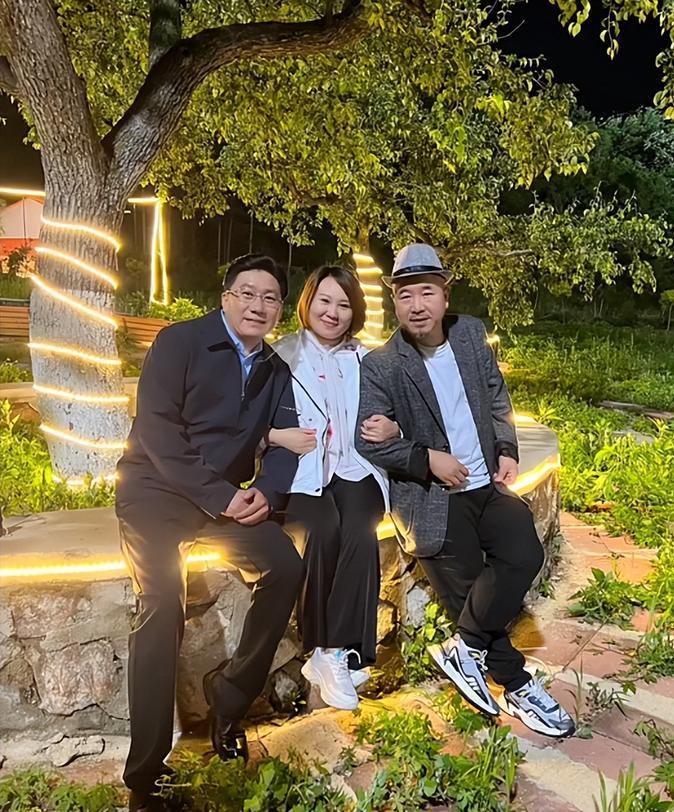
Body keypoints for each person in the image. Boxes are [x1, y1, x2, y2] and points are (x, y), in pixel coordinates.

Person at [355, 243, 575, 738]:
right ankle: (516, 685)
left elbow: (496, 396)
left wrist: (506, 447)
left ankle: (466, 647)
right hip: (433, 498)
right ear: (394, 301)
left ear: (445, 295)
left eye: (426, 292)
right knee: (471, 582)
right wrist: (425, 458)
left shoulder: (471, 335)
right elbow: (366, 440)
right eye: (405, 295)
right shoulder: (382, 364)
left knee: (524, 552)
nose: (417, 305)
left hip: (486, 485)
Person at [116, 254, 304, 811]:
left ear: (278, 310)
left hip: (221, 504)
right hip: (154, 493)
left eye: (270, 298)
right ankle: (145, 773)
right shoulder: (180, 342)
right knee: (161, 603)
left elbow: (285, 442)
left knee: (285, 564)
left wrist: (267, 491)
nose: (257, 305)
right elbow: (158, 432)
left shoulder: (275, 369)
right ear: (225, 298)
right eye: (247, 293)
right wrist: (222, 495)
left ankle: (229, 695)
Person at [271, 265, 397, 711]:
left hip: (356, 467)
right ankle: (331, 650)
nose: (333, 312)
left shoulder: (370, 361)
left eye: (344, 304)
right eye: (325, 301)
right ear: (308, 303)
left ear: (354, 312)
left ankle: (332, 652)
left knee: (361, 531)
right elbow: (248, 423)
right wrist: (278, 437)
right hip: (303, 472)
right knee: (322, 531)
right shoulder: (280, 357)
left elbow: (400, 414)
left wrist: (393, 427)